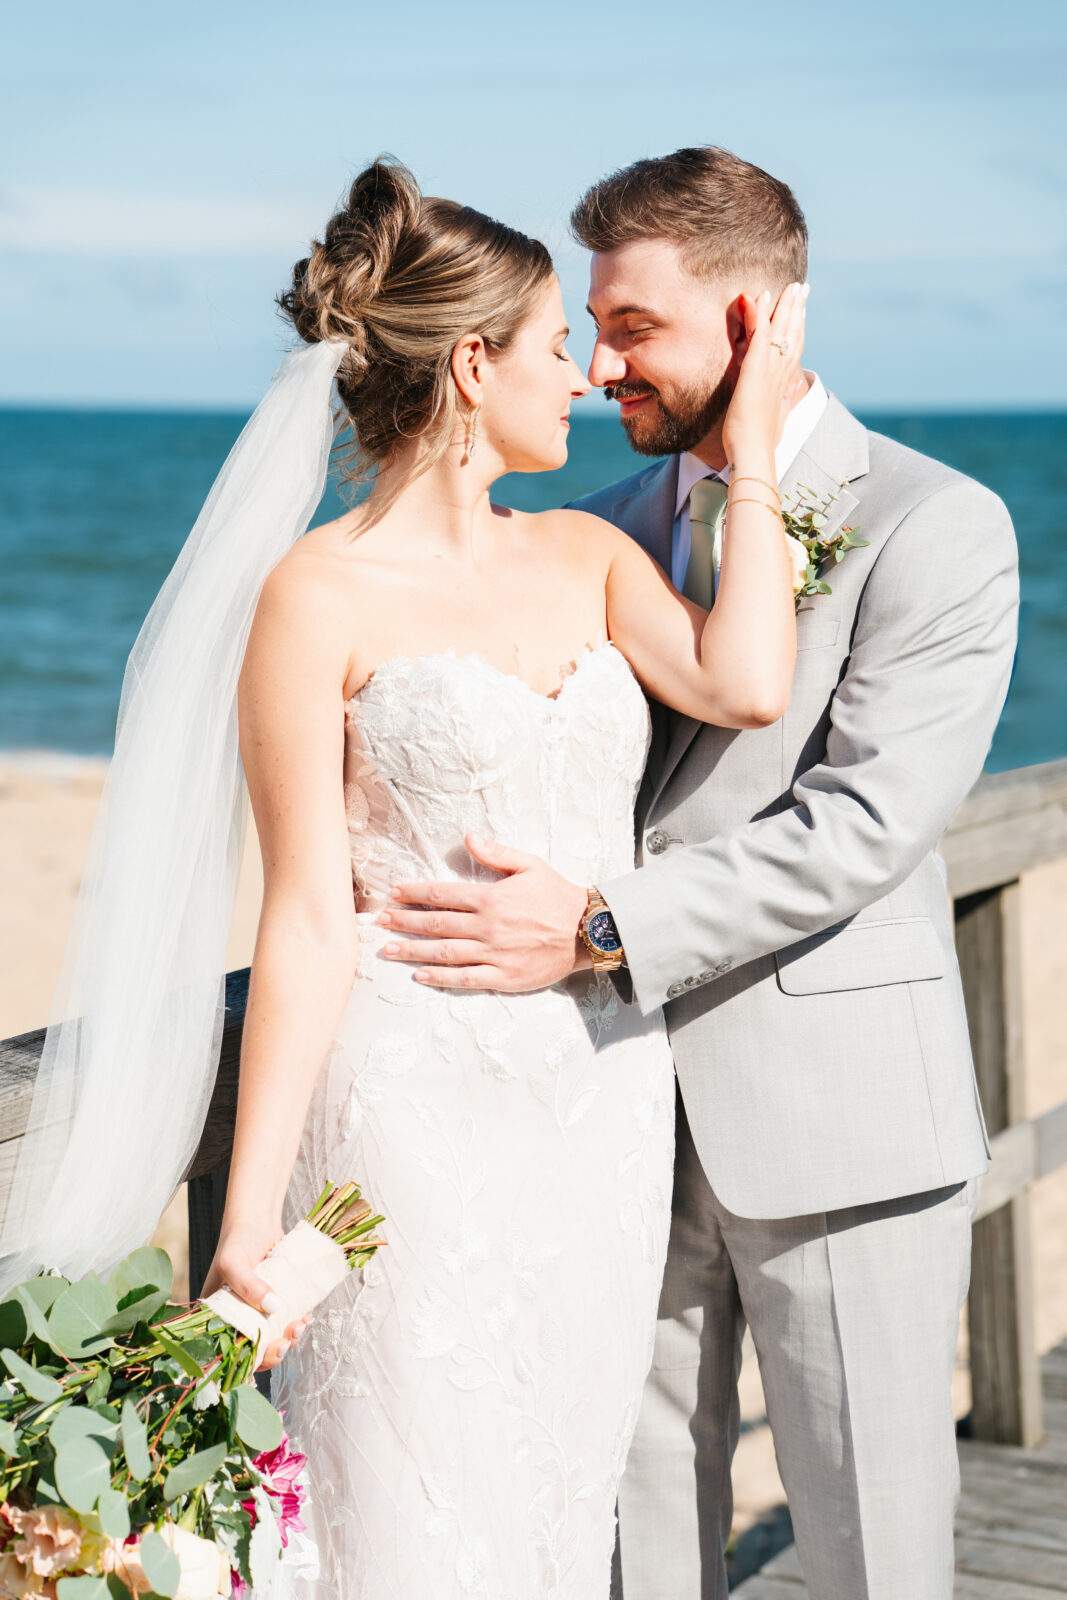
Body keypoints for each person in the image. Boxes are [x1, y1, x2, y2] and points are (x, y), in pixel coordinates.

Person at [380, 147, 1021, 1600]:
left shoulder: (936, 525)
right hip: (610, 1120)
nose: (601, 366)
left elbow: (864, 824)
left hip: (839, 1128)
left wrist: (601, 927)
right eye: (594, 325)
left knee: (871, 1556)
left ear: (754, 321)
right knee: (636, 1546)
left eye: (635, 328)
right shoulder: (602, 526)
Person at [192, 157, 805, 1599]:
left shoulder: (588, 554)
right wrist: (248, 1217)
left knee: (555, 1503)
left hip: (599, 1105)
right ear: (473, 366)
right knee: (414, 1514)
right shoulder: (315, 594)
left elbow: (749, 681)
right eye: (552, 345)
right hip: (406, 1112)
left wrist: (756, 452)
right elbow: (305, 917)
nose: (585, 377)